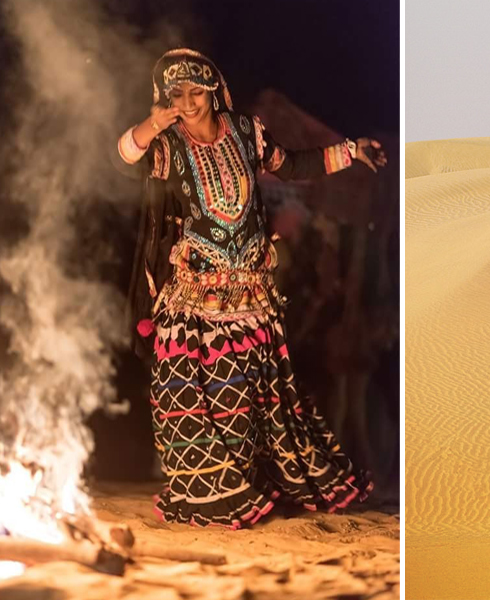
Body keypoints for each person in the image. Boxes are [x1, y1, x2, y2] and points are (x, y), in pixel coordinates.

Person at [117, 49, 386, 528]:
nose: (188, 101)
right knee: (187, 392)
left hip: (250, 295)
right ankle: (209, 494)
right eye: (177, 93)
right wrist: (153, 124)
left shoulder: (245, 131)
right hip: (195, 293)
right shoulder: (169, 144)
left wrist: (352, 151)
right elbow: (125, 157)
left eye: (196, 91)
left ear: (214, 90)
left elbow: (293, 165)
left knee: (251, 402)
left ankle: (258, 485)